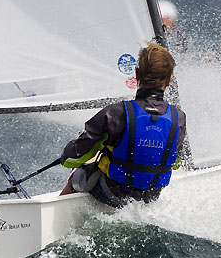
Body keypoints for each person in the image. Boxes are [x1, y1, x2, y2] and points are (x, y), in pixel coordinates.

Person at [59, 42, 188, 208]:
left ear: (136, 74)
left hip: (110, 193)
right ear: (170, 80)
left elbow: (74, 157)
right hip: (150, 198)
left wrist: (66, 155)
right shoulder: (179, 118)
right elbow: (175, 161)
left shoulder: (115, 113)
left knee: (81, 172)